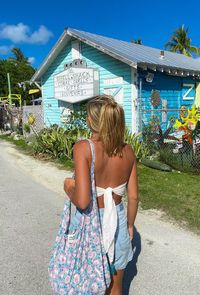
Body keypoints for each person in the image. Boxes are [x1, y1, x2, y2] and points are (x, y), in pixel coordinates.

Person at [64, 95, 139, 295]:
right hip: (118, 219)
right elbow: (133, 197)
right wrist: (130, 225)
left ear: (91, 120)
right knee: (116, 286)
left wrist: (68, 187)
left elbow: (82, 200)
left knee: (88, 282)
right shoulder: (128, 150)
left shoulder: (83, 148)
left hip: (91, 222)